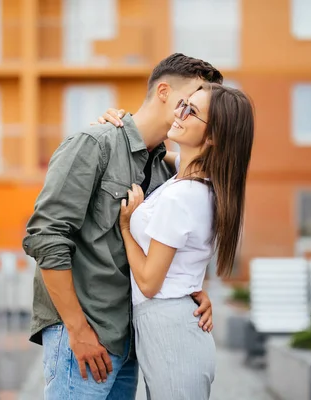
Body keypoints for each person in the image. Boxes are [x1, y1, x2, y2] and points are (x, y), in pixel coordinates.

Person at [22, 53, 224, 400]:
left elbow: (166, 249)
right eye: (189, 101)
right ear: (164, 91)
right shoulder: (95, 143)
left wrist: (192, 291)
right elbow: (46, 237)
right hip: (83, 340)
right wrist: (77, 329)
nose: (192, 110)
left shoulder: (165, 174)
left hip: (129, 344)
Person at [98, 83, 254, 399]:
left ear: (212, 138)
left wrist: (127, 228)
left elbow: (150, 283)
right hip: (169, 324)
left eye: (191, 111)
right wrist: (117, 125)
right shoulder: (187, 181)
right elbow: (151, 148)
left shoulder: (184, 196)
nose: (179, 113)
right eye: (183, 103)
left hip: (170, 328)